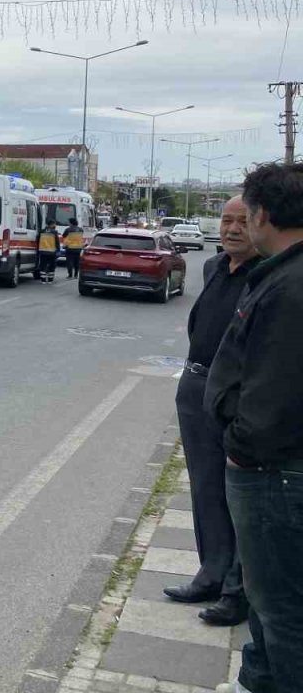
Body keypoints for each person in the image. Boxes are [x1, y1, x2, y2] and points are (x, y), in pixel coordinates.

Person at [206, 163, 303, 693]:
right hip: (274, 469)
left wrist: (240, 450)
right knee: (269, 605)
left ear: (263, 213)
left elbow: (274, 394)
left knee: (282, 610)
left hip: (273, 473)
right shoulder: (282, 272)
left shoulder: (289, 286)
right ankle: (259, 679)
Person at [163, 197, 259, 627]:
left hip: (235, 396)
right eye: (226, 220)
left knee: (236, 492)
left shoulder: (266, 276)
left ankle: (238, 592)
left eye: (242, 221)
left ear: (259, 224)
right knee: (204, 488)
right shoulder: (214, 268)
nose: (232, 228)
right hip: (195, 386)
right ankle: (211, 573)